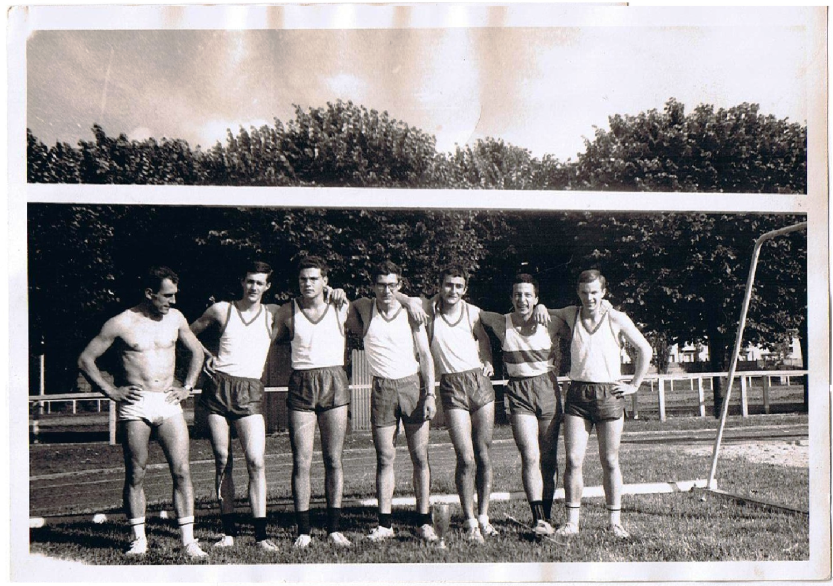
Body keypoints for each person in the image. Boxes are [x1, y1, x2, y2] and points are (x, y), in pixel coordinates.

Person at [78, 266, 208, 559]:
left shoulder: (176, 318)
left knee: (182, 470)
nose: (172, 301)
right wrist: (112, 391)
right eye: (166, 295)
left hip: (168, 401)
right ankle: (139, 539)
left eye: (175, 295)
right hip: (136, 405)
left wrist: (187, 386)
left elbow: (197, 352)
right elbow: (86, 359)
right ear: (149, 293)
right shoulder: (121, 323)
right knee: (136, 472)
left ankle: (189, 541)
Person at [394, 266, 498, 542]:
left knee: (483, 454)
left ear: (465, 289)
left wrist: (487, 360)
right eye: (448, 285)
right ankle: (469, 520)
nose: (453, 291)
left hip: (479, 384)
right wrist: (407, 301)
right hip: (452, 387)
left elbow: (484, 340)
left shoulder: (473, 312)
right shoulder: (428, 310)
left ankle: (484, 517)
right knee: (465, 457)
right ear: (439, 286)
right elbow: (397, 294)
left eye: (458, 286)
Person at [545, 270, 652, 539]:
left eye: (594, 292)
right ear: (578, 292)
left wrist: (635, 384)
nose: (589, 297)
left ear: (603, 292)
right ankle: (572, 522)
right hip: (578, 394)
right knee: (572, 459)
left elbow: (645, 349)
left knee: (610, 460)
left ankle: (615, 522)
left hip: (609, 393)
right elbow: (546, 311)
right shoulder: (572, 314)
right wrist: (541, 308)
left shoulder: (616, 317)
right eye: (584, 292)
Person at [343, 261, 438, 542]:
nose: (386, 290)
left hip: (411, 386)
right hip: (382, 389)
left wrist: (430, 393)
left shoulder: (412, 311)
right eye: (381, 284)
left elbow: (426, 355)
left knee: (420, 456)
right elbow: (338, 303)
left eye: (392, 285)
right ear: (373, 286)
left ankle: (424, 521)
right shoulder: (363, 307)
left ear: (399, 285)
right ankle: (385, 524)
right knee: (385, 458)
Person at [189, 261, 278, 551]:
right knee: (223, 459)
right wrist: (205, 355)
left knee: (256, 460)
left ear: (267, 286)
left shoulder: (274, 313)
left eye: (260, 282)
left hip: (249, 390)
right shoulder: (222, 310)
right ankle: (228, 532)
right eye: (250, 281)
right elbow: (186, 332)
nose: (254, 287)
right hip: (218, 389)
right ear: (242, 281)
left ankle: (261, 536)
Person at [271, 257, 352, 549]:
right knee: (301, 460)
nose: (308, 284)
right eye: (303, 279)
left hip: (334, 381)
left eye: (314, 279)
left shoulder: (340, 305)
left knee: (333, 459)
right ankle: (303, 531)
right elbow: (265, 339)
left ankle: (334, 528)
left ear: (324, 281)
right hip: (302, 383)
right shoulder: (286, 311)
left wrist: (343, 293)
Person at [479, 273, 561, 537]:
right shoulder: (501, 322)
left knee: (548, 458)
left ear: (536, 298)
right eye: (517, 294)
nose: (522, 299)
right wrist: (484, 355)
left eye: (528, 295)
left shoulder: (551, 321)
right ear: (511, 298)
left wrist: (546, 308)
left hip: (547, 388)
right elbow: (468, 313)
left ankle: (547, 515)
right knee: (530, 455)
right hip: (519, 390)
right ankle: (538, 519)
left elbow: (581, 314)